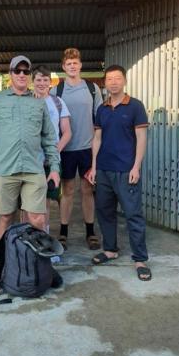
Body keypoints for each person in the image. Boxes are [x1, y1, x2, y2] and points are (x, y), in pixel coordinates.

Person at [87, 64, 152, 281]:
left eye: (117, 78)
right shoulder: (102, 109)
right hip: (104, 169)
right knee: (105, 212)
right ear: (104, 83)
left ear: (124, 81)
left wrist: (136, 167)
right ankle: (110, 249)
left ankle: (140, 259)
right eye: (109, 79)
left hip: (126, 170)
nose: (113, 82)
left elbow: (142, 138)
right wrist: (94, 167)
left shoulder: (135, 106)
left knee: (133, 215)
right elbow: (97, 139)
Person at [0, 55, 61, 241]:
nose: (22, 74)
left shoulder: (39, 102)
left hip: (33, 168)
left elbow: (49, 137)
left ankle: (36, 263)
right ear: (10, 74)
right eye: (17, 71)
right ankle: (8, 262)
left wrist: (54, 168)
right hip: (5, 169)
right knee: (5, 217)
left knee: (36, 218)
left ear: (29, 75)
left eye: (26, 71)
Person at [51, 47, 102, 251]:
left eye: (75, 63)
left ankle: (90, 232)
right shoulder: (57, 90)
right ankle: (63, 232)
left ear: (80, 65)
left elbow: (100, 117)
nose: (72, 66)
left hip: (88, 147)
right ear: (64, 67)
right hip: (66, 149)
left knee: (88, 189)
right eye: (68, 63)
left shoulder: (92, 88)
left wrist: (100, 145)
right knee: (68, 191)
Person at [31, 65, 71, 255]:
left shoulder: (58, 102)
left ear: (50, 82)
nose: (41, 83)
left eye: (45, 79)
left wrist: (54, 152)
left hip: (51, 163)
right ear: (33, 81)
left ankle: (45, 244)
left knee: (46, 204)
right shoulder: (26, 101)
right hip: (30, 162)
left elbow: (67, 132)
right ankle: (30, 244)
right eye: (38, 79)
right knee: (29, 206)